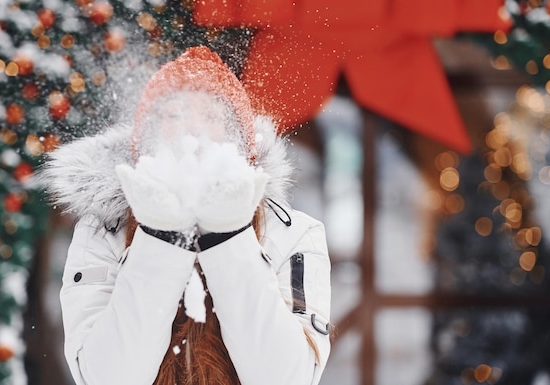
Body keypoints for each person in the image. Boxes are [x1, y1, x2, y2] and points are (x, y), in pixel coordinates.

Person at [40, 46, 332, 385]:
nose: (194, 131)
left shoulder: (293, 234)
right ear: (145, 138)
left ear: (242, 140)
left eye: (212, 117)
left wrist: (229, 236)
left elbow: (284, 379)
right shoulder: (104, 232)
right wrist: (161, 236)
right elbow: (110, 378)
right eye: (174, 115)